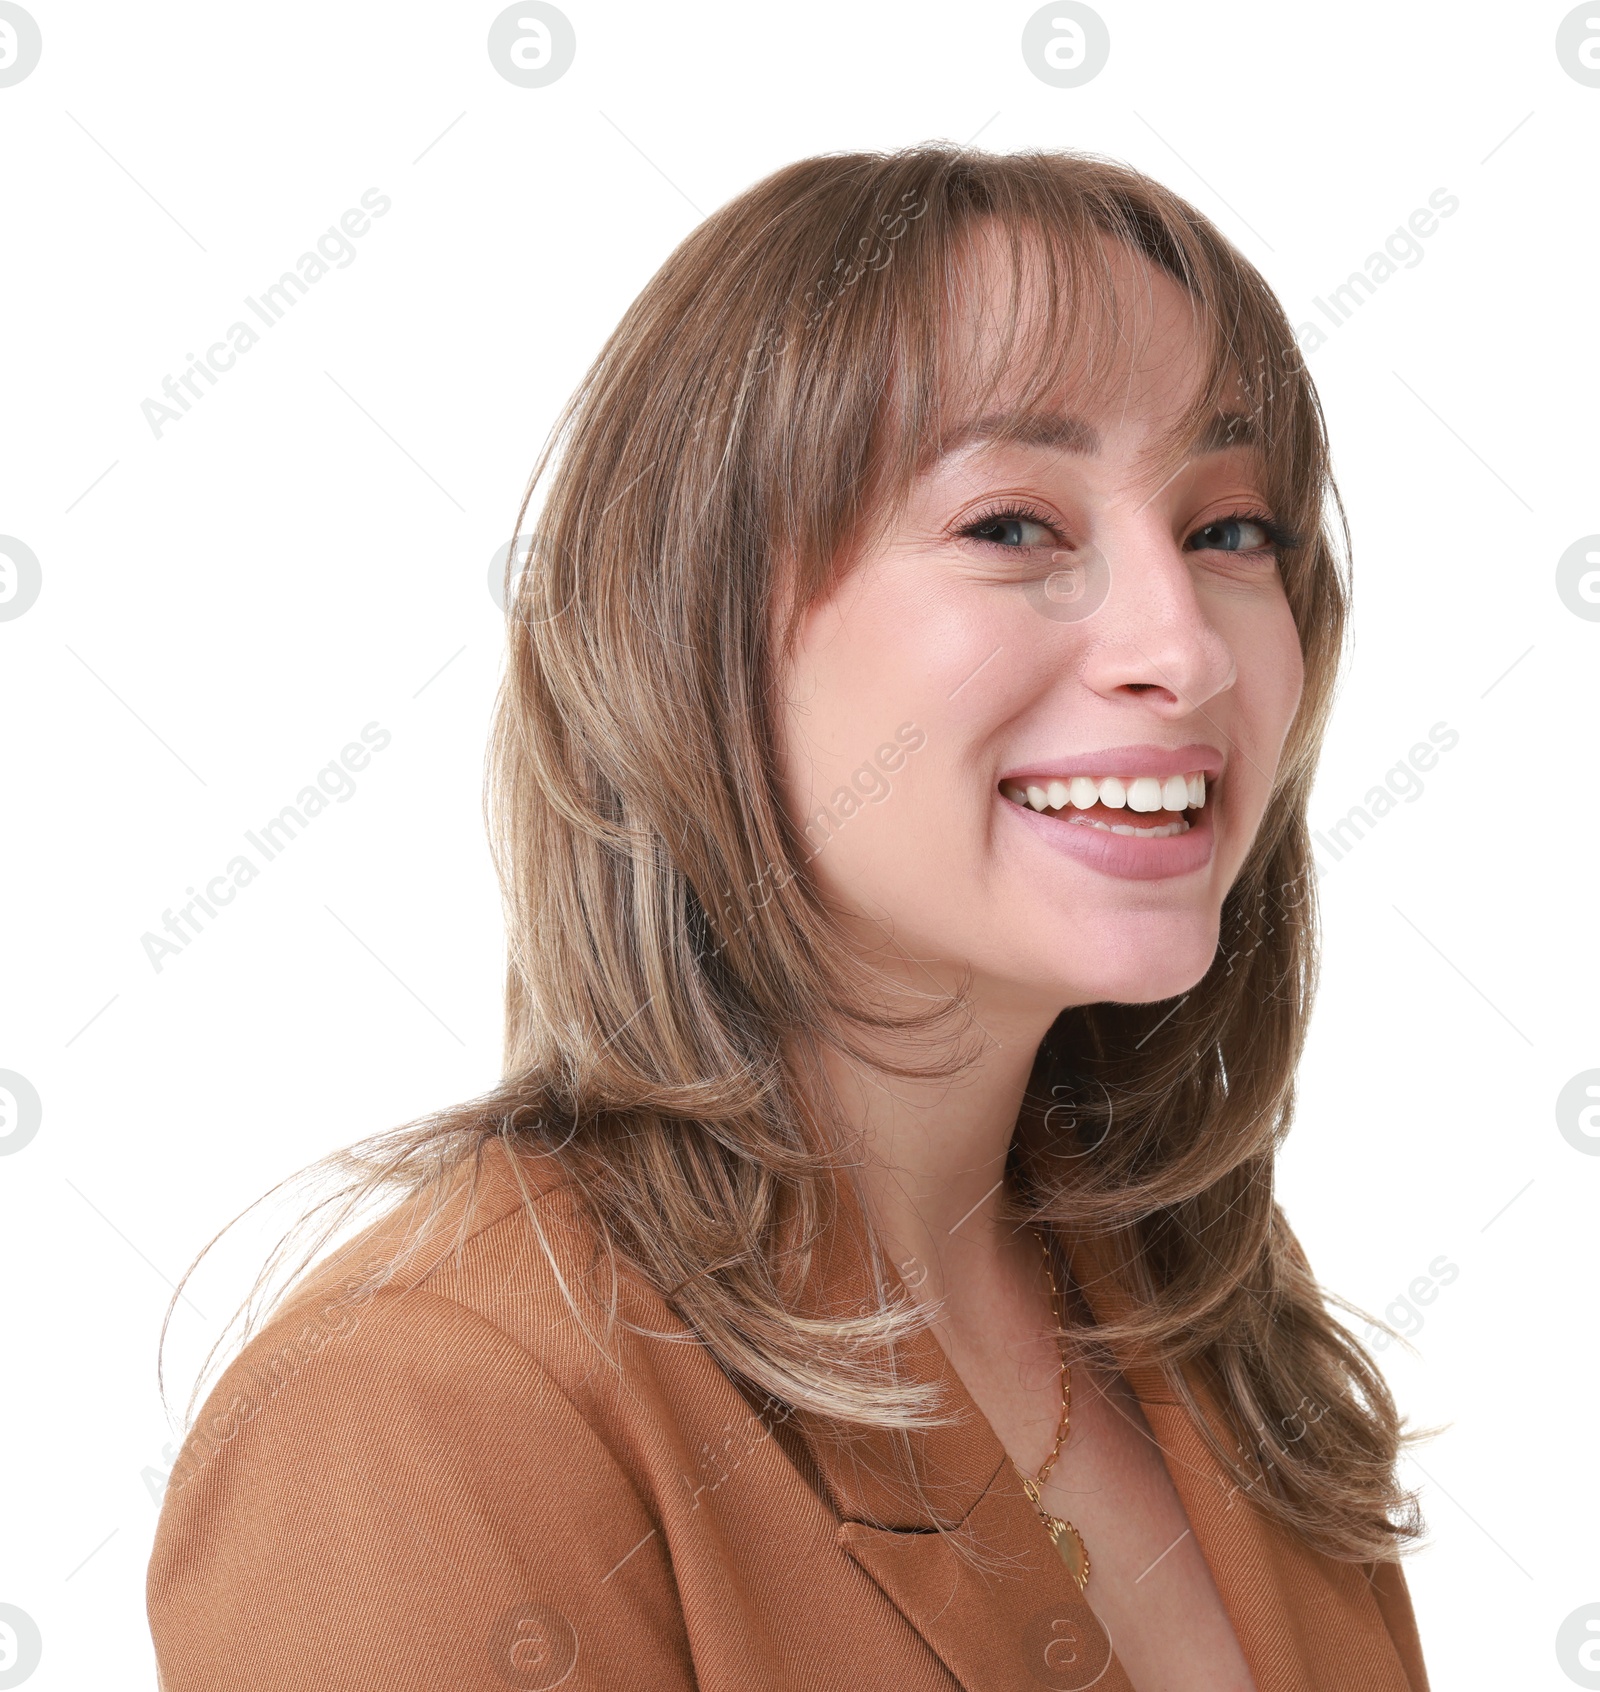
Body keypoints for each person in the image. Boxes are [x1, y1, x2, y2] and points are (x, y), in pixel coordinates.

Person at [147, 143, 1431, 1692]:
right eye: (1014, 525)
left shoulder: (1210, 1313)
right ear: (698, 628)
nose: (1188, 649)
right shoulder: (424, 1412)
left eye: (1232, 530)